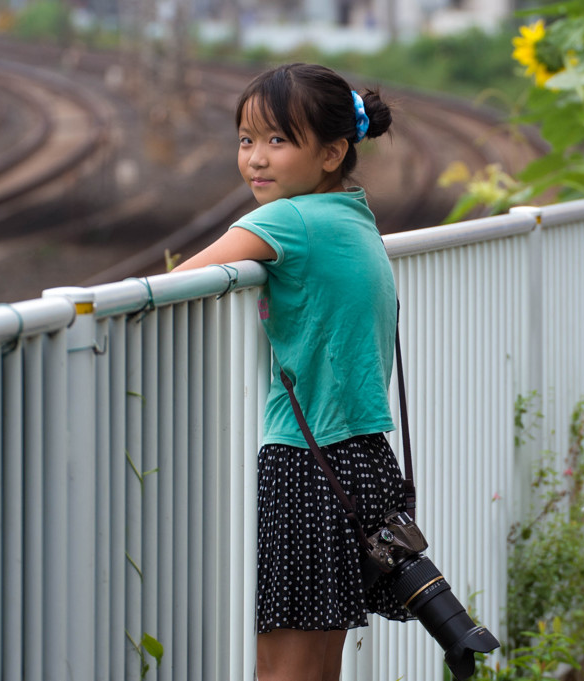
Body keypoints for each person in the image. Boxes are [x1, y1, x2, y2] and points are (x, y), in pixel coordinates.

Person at [173, 63, 412, 680]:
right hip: (359, 456)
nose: (255, 159)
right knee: (318, 658)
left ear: (332, 152)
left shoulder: (289, 221)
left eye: (278, 141)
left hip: (305, 464)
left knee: (279, 662)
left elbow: (169, 287)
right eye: (247, 140)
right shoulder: (352, 213)